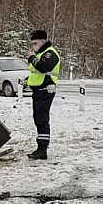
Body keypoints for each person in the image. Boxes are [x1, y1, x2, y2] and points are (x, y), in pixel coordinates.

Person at [26, 30, 60, 160]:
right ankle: (40, 148)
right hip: (39, 91)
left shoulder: (50, 54)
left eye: (35, 43)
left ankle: (42, 149)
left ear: (42, 41)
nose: (33, 46)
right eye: (32, 43)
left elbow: (43, 67)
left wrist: (31, 58)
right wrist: (27, 81)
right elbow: (37, 73)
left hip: (45, 91)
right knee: (38, 119)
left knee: (42, 120)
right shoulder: (41, 54)